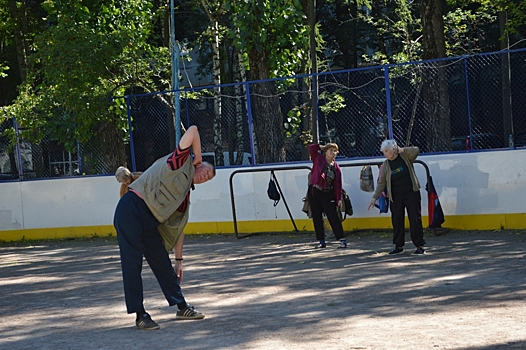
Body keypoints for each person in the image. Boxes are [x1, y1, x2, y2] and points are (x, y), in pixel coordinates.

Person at [113, 125, 216, 330]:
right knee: (132, 262)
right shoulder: (179, 162)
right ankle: (140, 314)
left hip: (148, 219)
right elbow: (194, 130)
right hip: (131, 209)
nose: (206, 176)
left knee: (161, 260)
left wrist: (179, 261)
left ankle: (182, 307)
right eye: (207, 170)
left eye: (209, 178)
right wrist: (197, 157)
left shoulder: (184, 197)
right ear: (198, 165)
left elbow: (178, 229)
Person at [367, 139, 426, 255]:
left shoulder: (405, 157)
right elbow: (381, 182)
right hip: (395, 196)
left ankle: (420, 245)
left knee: (415, 219)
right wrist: (374, 197)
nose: (385, 154)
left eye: (387, 151)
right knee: (397, 220)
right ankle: (398, 245)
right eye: (384, 152)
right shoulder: (385, 165)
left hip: (411, 193)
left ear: (394, 150)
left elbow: (416, 150)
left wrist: (402, 150)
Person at [308, 142, 347, 248]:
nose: (333, 153)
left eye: (335, 151)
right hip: (315, 190)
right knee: (317, 216)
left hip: (328, 193)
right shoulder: (318, 159)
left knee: (333, 216)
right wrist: (321, 146)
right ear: (325, 152)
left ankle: (342, 239)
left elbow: (338, 184)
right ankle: (321, 240)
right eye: (331, 150)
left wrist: (339, 199)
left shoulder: (336, 168)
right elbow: (311, 148)